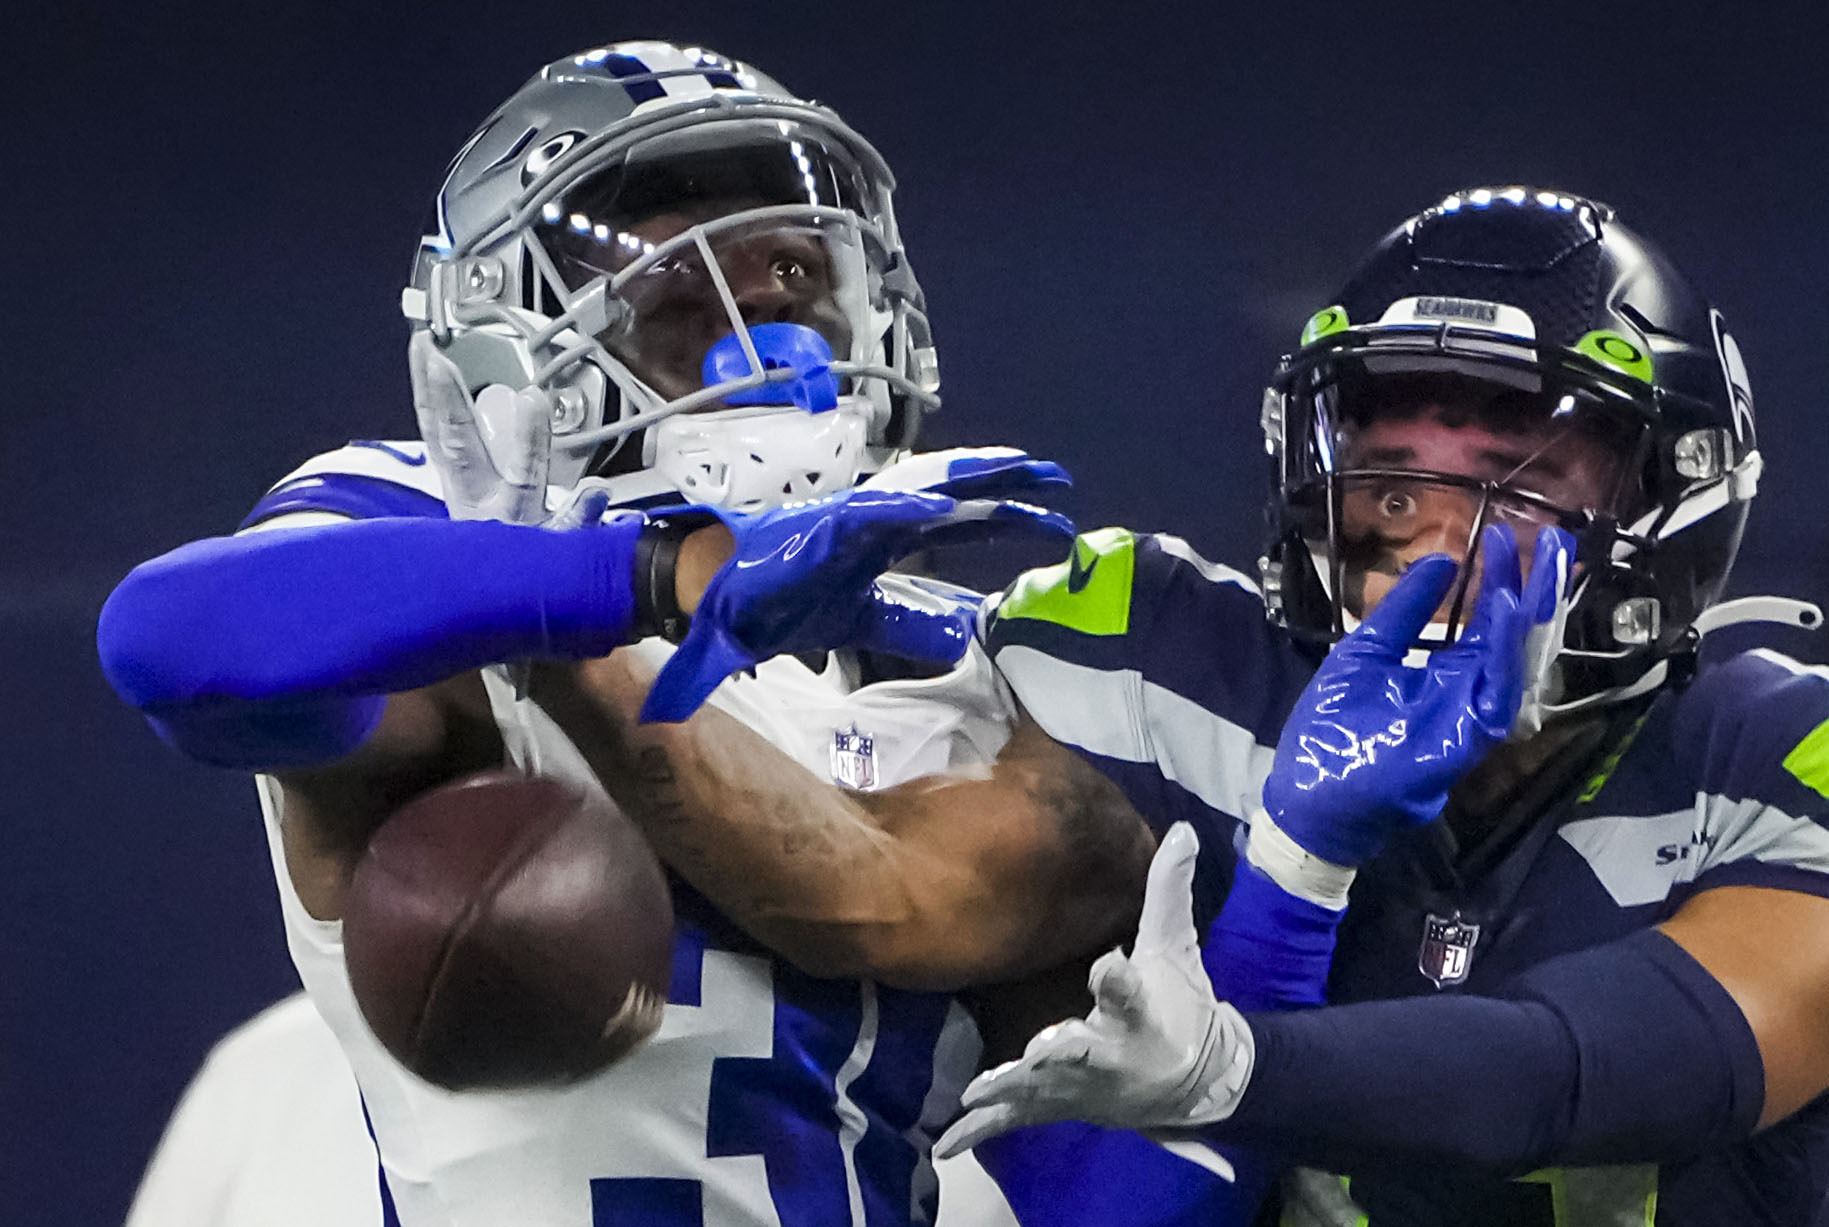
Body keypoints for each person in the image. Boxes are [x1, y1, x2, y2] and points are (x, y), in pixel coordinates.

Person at [102, 41, 1156, 1227]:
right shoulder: (438, 550)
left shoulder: (982, 667)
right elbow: (167, 640)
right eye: (678, 296)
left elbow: (896, 924)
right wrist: (642, 576)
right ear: (510, 363)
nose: (766, 336)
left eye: (795, 276)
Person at [927, 187, 1829, 1225]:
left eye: (1511, 486)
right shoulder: (1180, 676)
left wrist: (1230, 1069)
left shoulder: (1774, 751)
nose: (1436, 545)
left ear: (1670, 504)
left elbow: (1580, 1071)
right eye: (1394, 488)